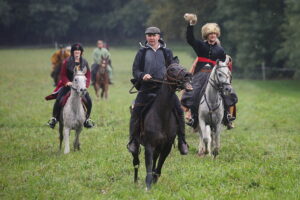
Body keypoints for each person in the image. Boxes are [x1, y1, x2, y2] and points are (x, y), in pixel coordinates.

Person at [127, 26, 189, 155]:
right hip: (146, 87)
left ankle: (182, 141)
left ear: (159, 37)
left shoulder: (167, 52)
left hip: (164, 88)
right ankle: (133, 141)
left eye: (154, 35)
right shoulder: (141, 52)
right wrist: (142, 75)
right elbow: (135, 70)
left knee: (179, 111)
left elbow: (173, 68)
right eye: (149, 35)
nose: (151, 37)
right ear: (146, 37)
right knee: (136, 112)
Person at [181, 13, 237, 129]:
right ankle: (192, 116)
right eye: (210, 33)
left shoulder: (220, 50)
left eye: (215, 33)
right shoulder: (200, 45)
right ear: (206, 35)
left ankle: (227, 116)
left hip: (215, 75)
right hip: (200, 75)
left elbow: (223, 64)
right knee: (193, 92)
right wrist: (191, 25)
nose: (213, 35)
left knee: (228, 93)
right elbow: (190, 39)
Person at [47, 43, 94, 129]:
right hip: (68, 86)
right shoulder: (66, 62)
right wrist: (67, 82)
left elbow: (88, 75)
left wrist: (86, 85)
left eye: (78, 51)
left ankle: (87, 119)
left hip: (80, 87)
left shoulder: (85, 62)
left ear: (81, 52)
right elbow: (63, 75)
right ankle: (54, 118)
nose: (77, 53)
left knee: (89, 101)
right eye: (75, 51)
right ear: (72, 52)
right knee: (59, 99)